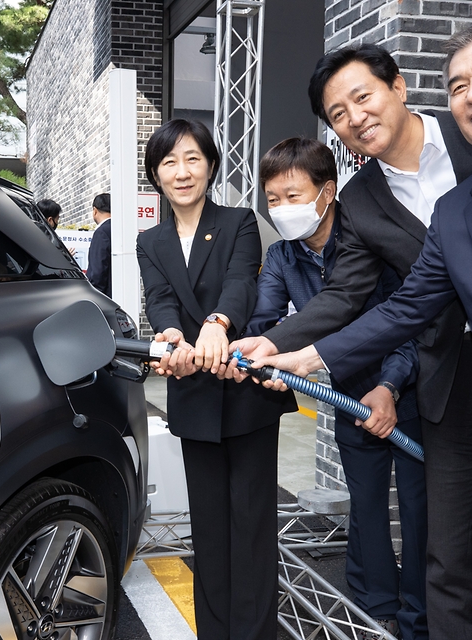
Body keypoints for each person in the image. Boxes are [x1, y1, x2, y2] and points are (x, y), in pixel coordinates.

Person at [254, 21, 472, 639]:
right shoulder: (395, 203)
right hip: (456, 382)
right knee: (466, 552)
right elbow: (374, 298)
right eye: (337, 114)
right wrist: (296, 350)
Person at [229, 43, 472, 640]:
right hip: (444, 382)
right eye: (338, 113)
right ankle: (405, 614)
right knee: (445, 542)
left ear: (397, 86)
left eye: (362, 96)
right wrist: (272, 347)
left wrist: (384, 381)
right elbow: (354, 298)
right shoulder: (361, 202)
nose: (354, 116)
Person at [249, 137, 426, 640]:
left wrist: (391, 384)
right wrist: (244, 345)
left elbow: (409, 320)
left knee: (419, 512)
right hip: (347, 397)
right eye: (273, 200)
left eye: (292, 195)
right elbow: (266, 321)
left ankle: (420, 617)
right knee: (365, 504)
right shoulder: (283, 257)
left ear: (327, 192)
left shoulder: (371, 240)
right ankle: (375, 607)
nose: (282, 209)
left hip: (409, 390)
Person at [136, 119, 296, 640]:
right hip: (194, 393)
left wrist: (215, 323)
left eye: (192, 159)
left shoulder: (237, 222)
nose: (182, 172)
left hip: (247, 392)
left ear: (209, 164)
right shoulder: (149, 240)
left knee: (251, 528)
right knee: (207, 528)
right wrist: (169, 337)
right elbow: (159, 298)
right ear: (156, 174)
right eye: (168, 162)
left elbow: (240, 284)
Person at [87, 193, 112, 296]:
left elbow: (97, 271)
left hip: (104, 296)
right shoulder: (120, 229)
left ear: (95, 210)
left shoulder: (101, 232)